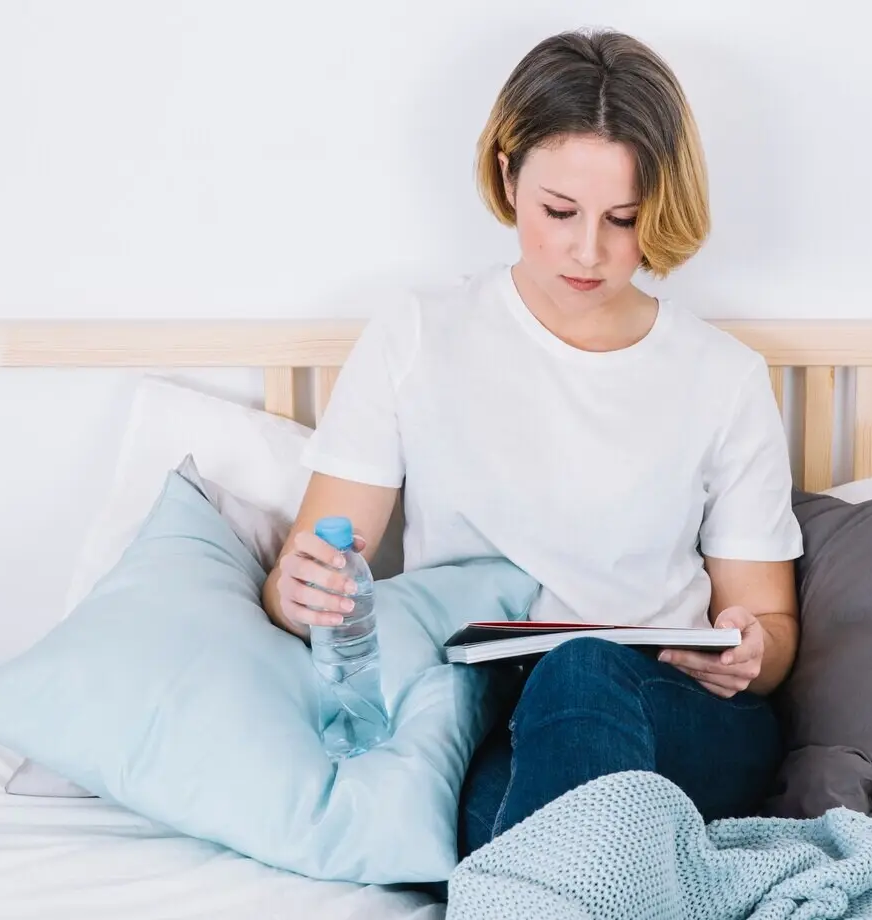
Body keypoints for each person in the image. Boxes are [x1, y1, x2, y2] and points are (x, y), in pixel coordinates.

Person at [261, 27, 802, 858]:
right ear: (508, 174)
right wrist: (298, 594)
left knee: (581, 673)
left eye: (624, 220)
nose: (590, 251)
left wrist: (750, 652)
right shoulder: (418, 333)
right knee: (478, 820)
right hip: (491, 712)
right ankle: (617, 876)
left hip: (673, 714)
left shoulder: (722, 375)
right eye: (560, 212)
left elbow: (768, 630)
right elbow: (321, 566)